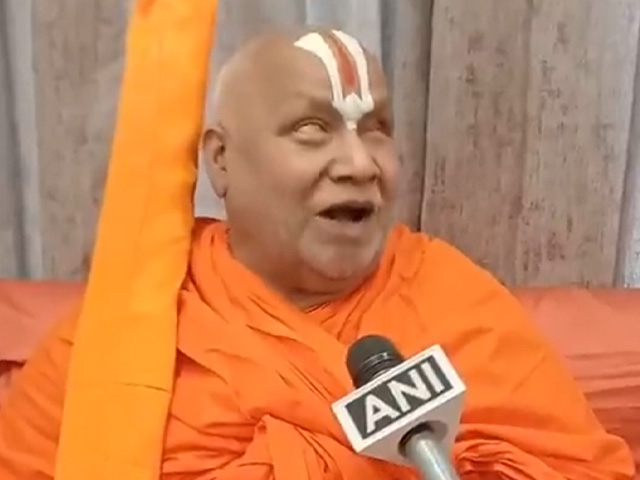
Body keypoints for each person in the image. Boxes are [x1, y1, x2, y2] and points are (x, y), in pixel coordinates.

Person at [0, 21, 635, 480]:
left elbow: (576, 466)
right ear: (222, 160)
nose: (360, 163)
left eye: (377, 129)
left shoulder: (450, 297)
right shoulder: (134, 321)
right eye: (312, 129)